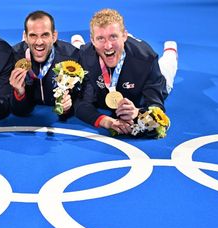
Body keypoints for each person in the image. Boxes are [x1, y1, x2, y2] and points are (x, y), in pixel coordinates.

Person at [74, 8, 176, 136]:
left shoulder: (146, 59)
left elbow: (156, 107)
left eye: (113, 37)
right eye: (100, 38)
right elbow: (81, 104)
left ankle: (171, 51)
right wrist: (106, 121)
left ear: (125, 36)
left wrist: (137, 113)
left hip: (141, 79)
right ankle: (78, 41)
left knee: (166, 74)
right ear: (92, 40)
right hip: (98, 51)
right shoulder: (85, 56)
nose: (107, 45)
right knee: (78, 51)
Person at [9, 10, 81, 118]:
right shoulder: (14, 57)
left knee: (80, 49)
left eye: (45, 35)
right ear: (25, 37)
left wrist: (68, 107)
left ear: (54, 36)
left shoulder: (71, 58)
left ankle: (78, 43)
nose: (39, 41)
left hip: (66, 50)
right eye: (33, 35)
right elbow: (18, 110)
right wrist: (19, 93)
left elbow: (82, 99)